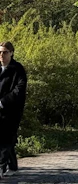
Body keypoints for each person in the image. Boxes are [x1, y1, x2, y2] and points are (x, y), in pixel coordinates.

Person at [0, 42, 27, 178]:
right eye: (0, 52)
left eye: (5, 52)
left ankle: (1, 167)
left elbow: (19, 89)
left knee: (6, 138)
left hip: (12, 110)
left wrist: (3, 102)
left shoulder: (18, 69)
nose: (1, 55)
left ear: (11, 53)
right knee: (6, 139)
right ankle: (13, 166)